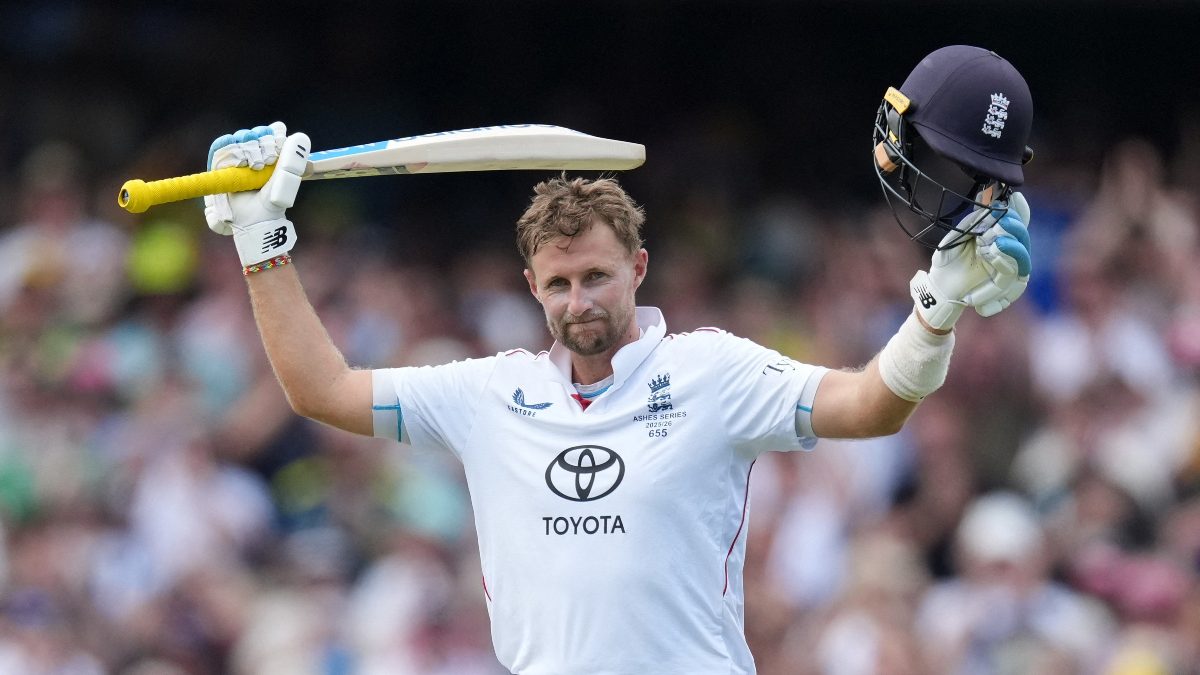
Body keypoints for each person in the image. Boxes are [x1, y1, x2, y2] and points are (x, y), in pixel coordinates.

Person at [201, 45, 1033, 675]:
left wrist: (936, 311)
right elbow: (320, 389)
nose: (580, 301)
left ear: (636, 269)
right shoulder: (489, 393)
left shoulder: (713, 373)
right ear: (531, 285)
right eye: (559, 283)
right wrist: (261, 244)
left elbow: (870, 408)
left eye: (597, 275)